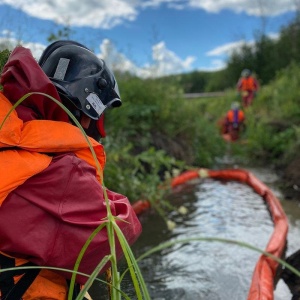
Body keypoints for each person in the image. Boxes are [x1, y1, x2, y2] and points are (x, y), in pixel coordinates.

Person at [0, 41, 142, 299]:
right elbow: (116, 234)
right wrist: (112, 200)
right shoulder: (60, 171)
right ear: (87, 111)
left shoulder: (10, 138)